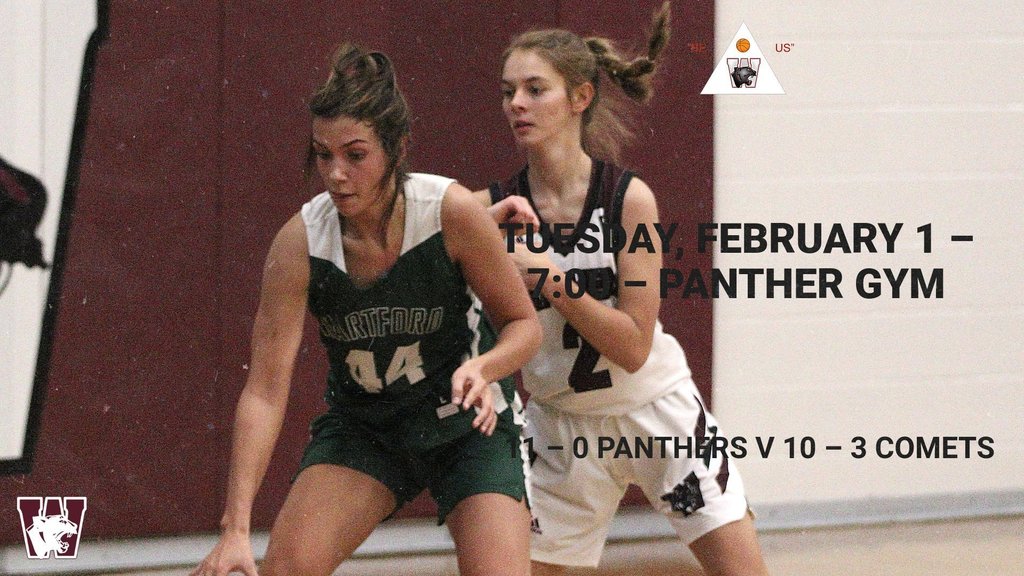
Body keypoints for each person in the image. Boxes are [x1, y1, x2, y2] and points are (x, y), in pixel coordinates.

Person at [192, 43, 541, 576]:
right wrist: (236, 527)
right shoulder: (300, 243)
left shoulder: (450, 211)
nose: (335, 173)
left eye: (355, 155)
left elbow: (524, 326)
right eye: (323, 154)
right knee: (287, 569)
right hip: (368, 430)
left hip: (468, 429)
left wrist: (484, 367)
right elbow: (264, 390)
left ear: (397, 149)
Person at [478, 4, 771, 575]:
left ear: (580, 97)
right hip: (561, 427)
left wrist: (548, 279)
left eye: (535, 89)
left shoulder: (628, 200)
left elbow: (634, 346)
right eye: (509, 90)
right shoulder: (495, 208)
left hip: (656, 414)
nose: (516, 103)